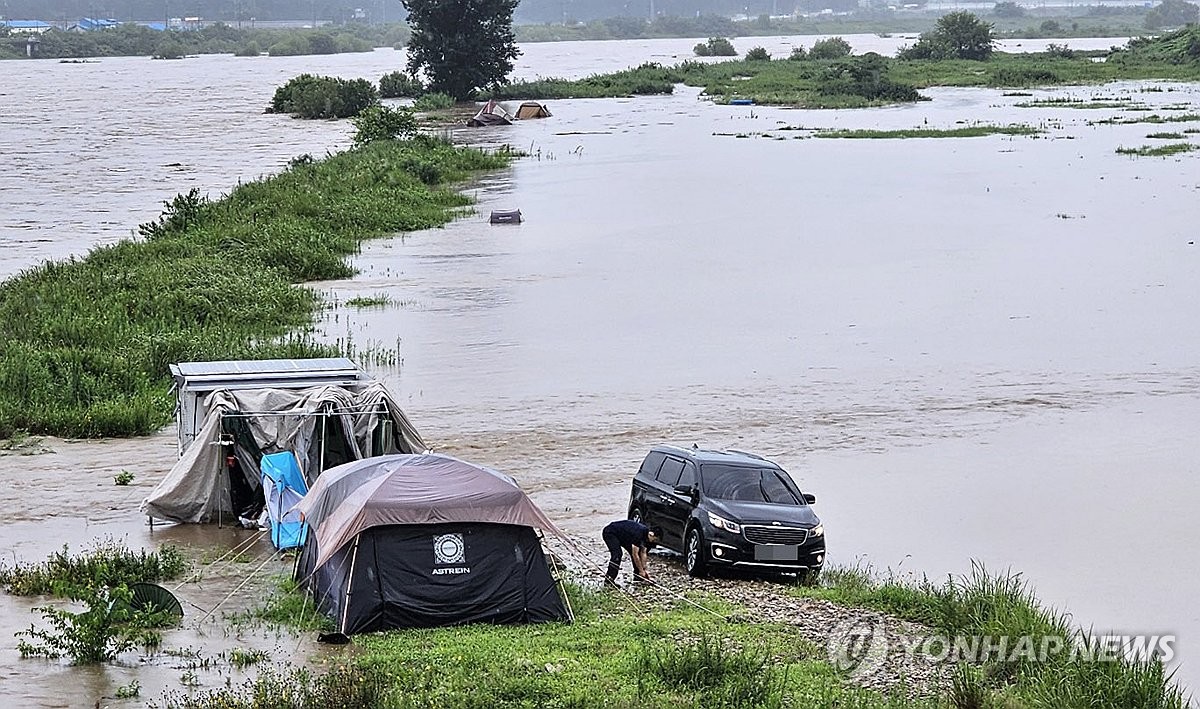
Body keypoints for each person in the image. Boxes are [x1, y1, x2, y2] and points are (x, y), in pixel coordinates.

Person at [602, 519, 660, 584]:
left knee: (637, 554)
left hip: (625, 536)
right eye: (654, 539)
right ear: (651, 534)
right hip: (611, 533)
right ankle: (609, 580)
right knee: (617, 555)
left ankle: (638, 577)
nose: (653, 542)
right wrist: (641, 570)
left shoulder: (646, 537)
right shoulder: (638, 534)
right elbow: (635, 555)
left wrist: (644, 570)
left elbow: (643, 553)